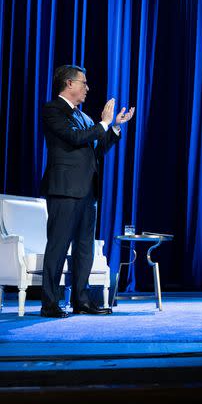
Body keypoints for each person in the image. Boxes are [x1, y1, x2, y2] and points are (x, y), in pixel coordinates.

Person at [39, 65, 135, 318]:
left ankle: (81, 301)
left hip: (87, 191)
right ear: (69, 84)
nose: (87, 88)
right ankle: (49, 303)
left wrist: (114, 127)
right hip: (64, 189)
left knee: (85, 248)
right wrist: (102, 123)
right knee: (58, 246)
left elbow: (96, 147)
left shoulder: (82, 116)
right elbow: (75, 139)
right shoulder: (53, 110)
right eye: (84, 83)